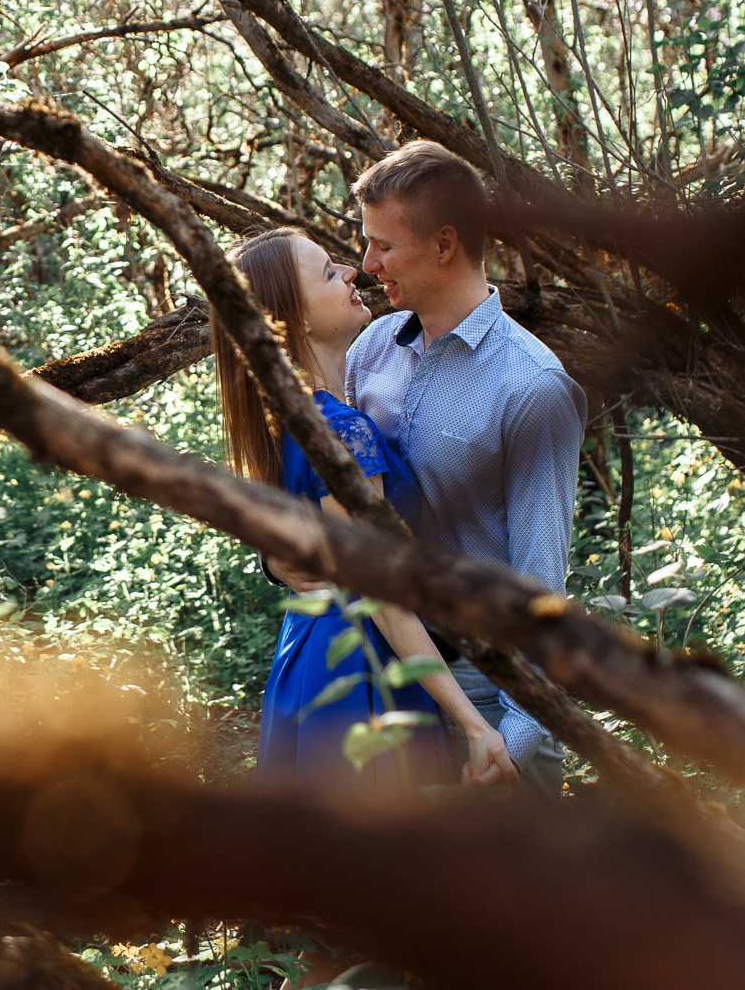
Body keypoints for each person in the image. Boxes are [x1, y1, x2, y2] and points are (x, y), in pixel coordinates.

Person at [212, 228, 519, 796]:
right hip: (363, 670)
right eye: (329, 272)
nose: (352, 271)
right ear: (293, 321)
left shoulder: (290, 418)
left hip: (307, 653)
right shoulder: (341, 432)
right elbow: (385, 594)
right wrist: (475, 726)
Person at [343, 141, 587, 796]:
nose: (367, 267)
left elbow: (542, 585)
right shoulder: (370, 350)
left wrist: (511, 743)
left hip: (488, 698)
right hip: (382, 678)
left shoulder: (534, 386)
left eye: (382, 246)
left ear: (445, 244)